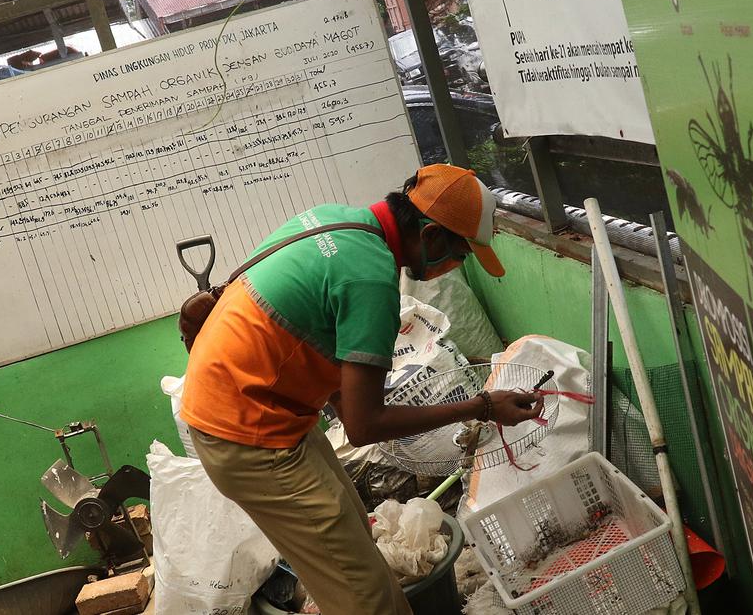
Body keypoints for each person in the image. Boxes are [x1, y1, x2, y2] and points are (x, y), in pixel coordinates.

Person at [181, 164, 543, 614]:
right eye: (461, 253)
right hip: (248, 433)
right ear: (430, 237)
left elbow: (314, 337)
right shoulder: (371, 278)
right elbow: (363, 425)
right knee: (370, 600)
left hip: (254, 407)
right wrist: (482, 405)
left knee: (354, 527)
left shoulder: (336, 221)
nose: (457, 264)